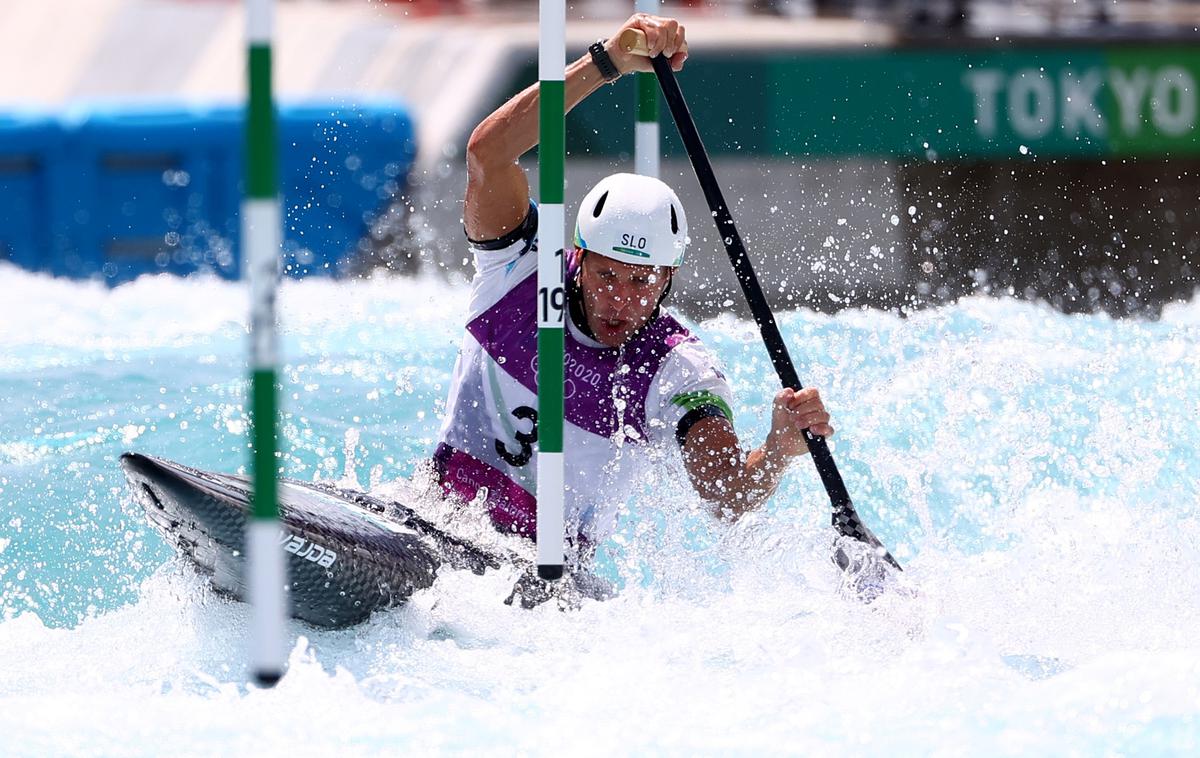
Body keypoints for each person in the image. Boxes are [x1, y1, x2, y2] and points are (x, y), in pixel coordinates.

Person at [432, 13, 834, 589]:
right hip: (435, 517)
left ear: (668, 277)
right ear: (577, 257)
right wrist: (605, 64)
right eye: (606, 276)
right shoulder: (521, 270)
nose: (620, 300)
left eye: (642, 282)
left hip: (544, 579)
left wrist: (775, 450)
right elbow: (487, 155)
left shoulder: (676, 367)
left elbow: (725, 495)